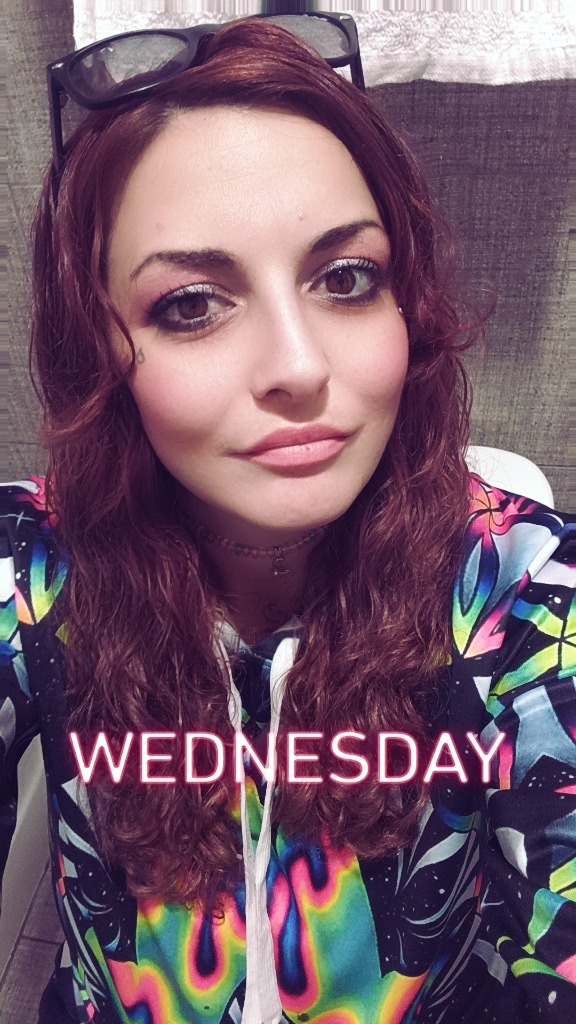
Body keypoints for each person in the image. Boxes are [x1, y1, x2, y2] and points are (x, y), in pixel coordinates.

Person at [1, 16, 574, 1024]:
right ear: (100, 346)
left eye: (346, 279)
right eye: (191, 304)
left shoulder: (526, 591)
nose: (300, 366)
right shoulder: (31, 570)